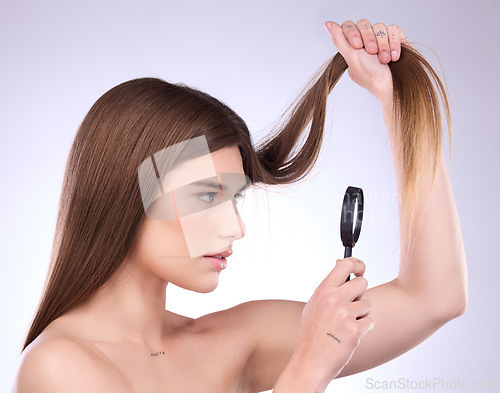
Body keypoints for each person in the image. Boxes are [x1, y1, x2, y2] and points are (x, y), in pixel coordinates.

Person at [12, 19, 467, 393]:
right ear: (128, 196)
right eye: (207, 195)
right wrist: (308, 368)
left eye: (236, 197)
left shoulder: (232, 342)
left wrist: (397, 101)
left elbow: (433, 297)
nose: (235, 228)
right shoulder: (58, 368)